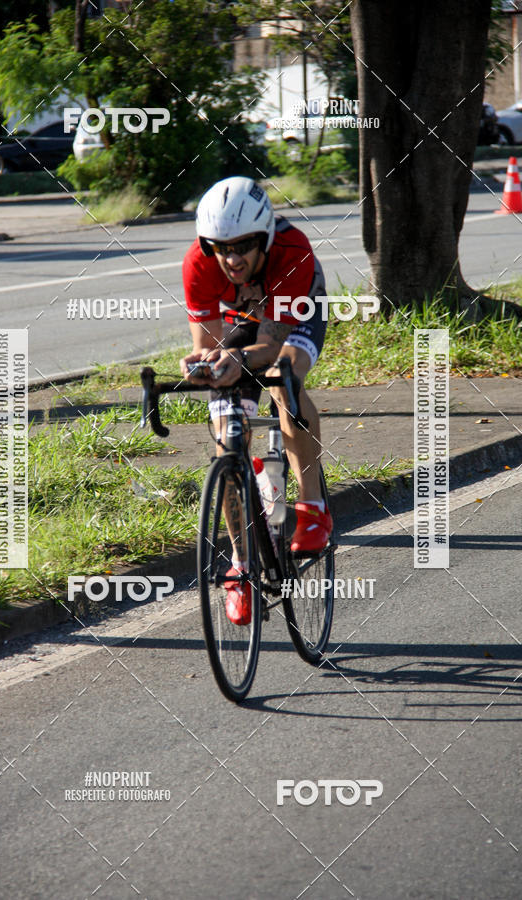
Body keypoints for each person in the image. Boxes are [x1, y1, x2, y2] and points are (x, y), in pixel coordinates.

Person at [181, 175, 332, 624]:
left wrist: (234, 355)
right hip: (243, 318)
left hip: (296, 309)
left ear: (263, 236)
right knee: (228, 435)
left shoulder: (291, 250)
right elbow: (208, 341)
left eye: (244, 245)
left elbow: (269, 346)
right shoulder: (198, 263)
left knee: (283, 379)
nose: (230, 257)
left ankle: (312, 507)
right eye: (218, 247)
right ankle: (241, 566)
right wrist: (204, 364)